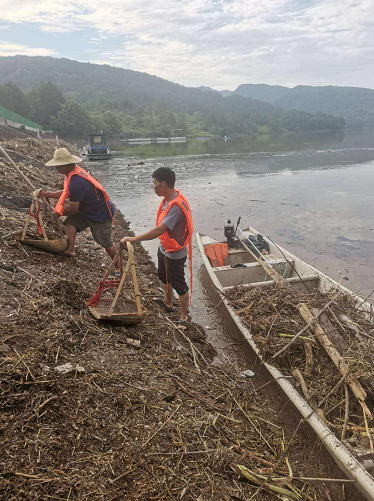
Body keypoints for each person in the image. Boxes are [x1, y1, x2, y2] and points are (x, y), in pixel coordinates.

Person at [121, 167, 193, 328]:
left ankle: (183, 316)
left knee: (179, 284)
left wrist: (134, 239)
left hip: (175, 252)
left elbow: (160, 229)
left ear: (163, 184)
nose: (152, 186)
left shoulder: (175, 207)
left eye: (154, 183)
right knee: (163, 276)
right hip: (164, 247)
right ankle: (168, 302)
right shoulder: (168, 199)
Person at [40, 147, 119, 272]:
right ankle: (71, 249)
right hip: (85, 208)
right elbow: (66, 192)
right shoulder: (72, 174)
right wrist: (46, 194)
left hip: (99, 214)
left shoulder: (77, 182)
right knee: (71, 222)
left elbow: (73, 209)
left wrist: (58, 213)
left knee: (106, 243)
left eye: (59, 165)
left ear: (67, 164)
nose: (57, 168)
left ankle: (119, 268)